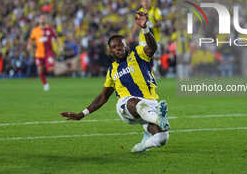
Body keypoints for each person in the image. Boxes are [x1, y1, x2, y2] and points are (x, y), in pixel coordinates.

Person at [61, 12, 170, 152]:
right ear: (110, 51)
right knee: (137, 103)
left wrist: (145, 29)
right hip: (126, 105)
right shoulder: (112, 70)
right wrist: (81, 114)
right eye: (114, 47)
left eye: (121, 45)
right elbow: (103, 97)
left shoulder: (137, 54)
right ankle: (158, 118)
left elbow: (153, 47)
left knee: (162, 138)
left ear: (126, 45)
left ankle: (142, 146)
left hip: (151, 104)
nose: (118, 48)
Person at [129, 0, 162, 77]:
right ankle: (145, 73)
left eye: (147, 1)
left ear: (150, 2)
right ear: (141, 2)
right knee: (144, 55)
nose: (146, 3)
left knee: (156, 56)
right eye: (144, 1)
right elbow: (136, 25)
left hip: (155, 38)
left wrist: (153, 25)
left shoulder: (155, 11)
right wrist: (131, 35)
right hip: (143, 39)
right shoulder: (139, 12)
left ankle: (155, 71)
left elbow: (160, 23)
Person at [27, 14, 60, 91]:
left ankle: (49, 68)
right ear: (39, 20)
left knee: (50, 69)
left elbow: (56, 37)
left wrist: (59, 46)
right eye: (41, 18)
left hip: (49, 52)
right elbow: (31, 39)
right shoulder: (35, 30)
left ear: (45, 20)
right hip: (39, 53)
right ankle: (45, 84)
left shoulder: (49, 29)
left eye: (44, 18)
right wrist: (29, 45)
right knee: (40, 70)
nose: (42, 20)